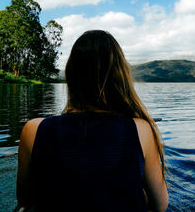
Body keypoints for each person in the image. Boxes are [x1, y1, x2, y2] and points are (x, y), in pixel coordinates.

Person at [16, 30, 168, 212]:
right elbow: (160, 205)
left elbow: (24, 198)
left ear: (71, 75)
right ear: (120, 77)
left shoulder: (33, 130)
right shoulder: (140, 129)